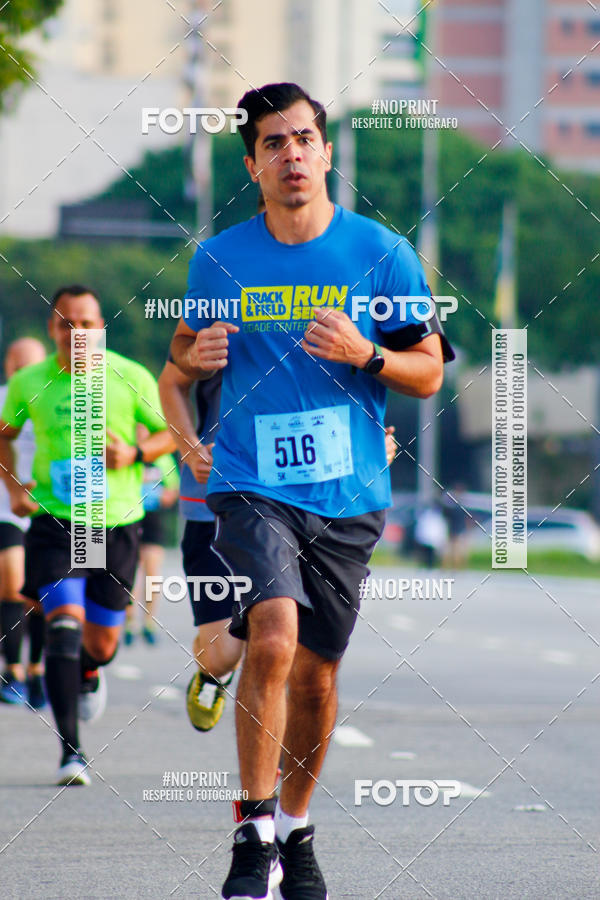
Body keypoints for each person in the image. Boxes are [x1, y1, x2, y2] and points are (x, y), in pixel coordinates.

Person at [170, 82, 453, 900]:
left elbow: (429, 372)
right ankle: (252, 833)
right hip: (251, 480)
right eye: (273, 144)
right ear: (253, 166)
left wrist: (368, 356)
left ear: (325, 153)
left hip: (349, 489)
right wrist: (196, 363)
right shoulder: (220, 258)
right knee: (273, 635)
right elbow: (184, 353)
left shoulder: (381, 253)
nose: (291, 154)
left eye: (303, 139)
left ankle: (297, 824)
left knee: (318, 675)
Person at [0, 285, 174, 786]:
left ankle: (91, 671)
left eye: (87, 324)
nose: (77, 333)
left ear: (102, 328)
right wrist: (13, 487)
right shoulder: (30, 381)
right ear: (53, 328)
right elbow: (4, 435)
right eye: (66, 324)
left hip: (114, 527)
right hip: (55, 523)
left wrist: (137, 455)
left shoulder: (129, 376)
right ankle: (71, 753)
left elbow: (173, 433)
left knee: (99, 644)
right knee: (62, 627)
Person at [0, 337, 47, 707]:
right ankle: (12, 668)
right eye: (18, 365)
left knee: (43, 595)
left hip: (49, 510)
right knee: (13, 584)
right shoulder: (3, 399)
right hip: (6, 509)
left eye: (32, 366)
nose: (23, 373)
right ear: (7, 366)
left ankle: (36, 669)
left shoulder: (55, 397)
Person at [124, 429, 179, 646]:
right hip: (130, 518)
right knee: (131, 571)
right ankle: (130, 621)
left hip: (154, 519)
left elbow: (173, 488)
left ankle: (149, 621)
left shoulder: (162, 457)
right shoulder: (128, 454)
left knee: (152, 572)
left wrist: (166, 496)